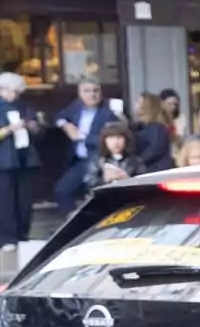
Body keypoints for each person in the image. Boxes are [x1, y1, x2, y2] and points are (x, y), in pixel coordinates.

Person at [52, 78, 122, 213]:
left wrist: (82, 137)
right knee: (62, 190)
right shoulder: (77, 106)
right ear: (79, 93)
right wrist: (66, 125)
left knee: (98, 196)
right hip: (79, 160)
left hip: (99, 159)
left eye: (96, 91)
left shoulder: (109, 111)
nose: (92, 95)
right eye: (87, 91)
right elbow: (58, 116)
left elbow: (110, 140)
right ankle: (72, 223)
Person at [0, 72, 41, 246]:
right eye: (10, 90)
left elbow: (39, 131)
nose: (13, 94)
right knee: (6, 201)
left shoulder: (25, 106)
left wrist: (34, 127)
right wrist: (9, 129)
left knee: (24, 201)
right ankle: (7, 238)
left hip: (26, 159)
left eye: (16, 91)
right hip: (5, 161)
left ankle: (23, 235)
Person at [84, 123, 146, 191]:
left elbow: (143, 184)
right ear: (104, 141)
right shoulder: (97, 160)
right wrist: (104, 180)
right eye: (111, 138)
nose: (116, 142)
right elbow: (89, 182)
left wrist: (127, 179)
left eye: (119, 138)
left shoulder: (136, 161)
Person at [133, 92, 176, 172]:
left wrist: (138, 160)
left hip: (156, 170)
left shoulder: (157, 127)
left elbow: (154, 149)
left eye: (138, 102)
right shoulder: (141, 127)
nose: (135, 104)